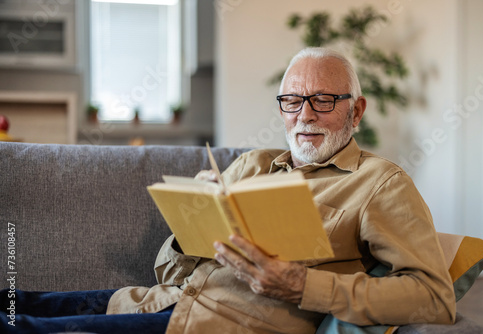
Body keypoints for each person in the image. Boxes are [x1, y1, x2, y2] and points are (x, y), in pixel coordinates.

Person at [1, 47, 456, 334]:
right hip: (153, 302)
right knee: (14, 300)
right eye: (293, 101)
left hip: (218, 325)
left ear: (355, 111)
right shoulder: (251, 165)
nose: (305, 115)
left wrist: (302, 285)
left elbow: (434, 298)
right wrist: (189, 230)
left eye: (323, 100)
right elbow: (167, 274)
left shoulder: (381, 184)